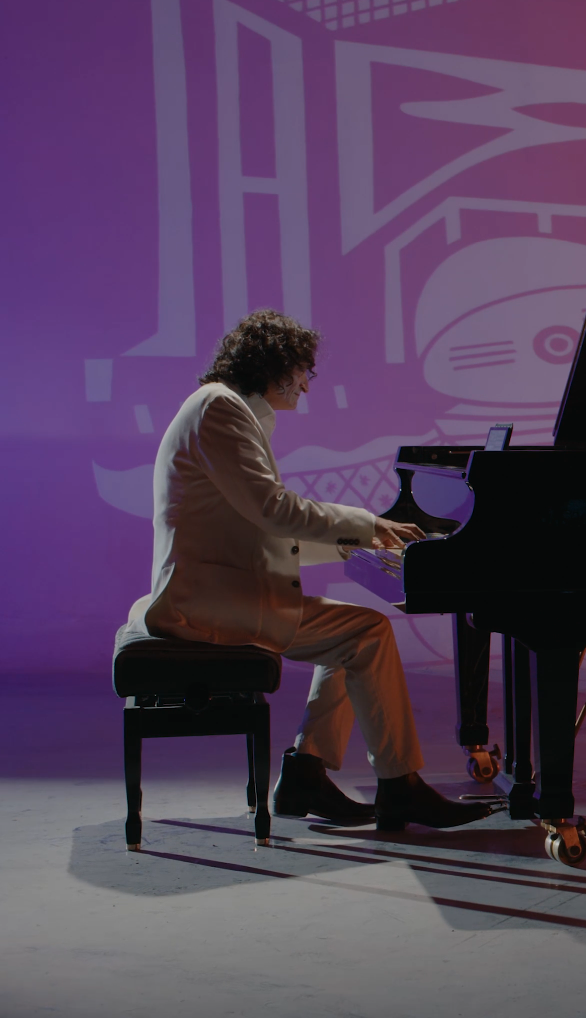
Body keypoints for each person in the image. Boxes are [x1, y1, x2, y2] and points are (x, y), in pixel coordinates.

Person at [115, 309, 491, 831]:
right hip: (204, 602)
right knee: (366, 633)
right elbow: (274, 510)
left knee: (352, 636)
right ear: (273, 367)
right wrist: (366, 526)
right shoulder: (219, 410)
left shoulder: (220, 408)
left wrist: (359, 544)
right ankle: (397, 786)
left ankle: (307, 773)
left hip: (212, 590)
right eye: (303, 372)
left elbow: (263, 528)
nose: (307, 386)